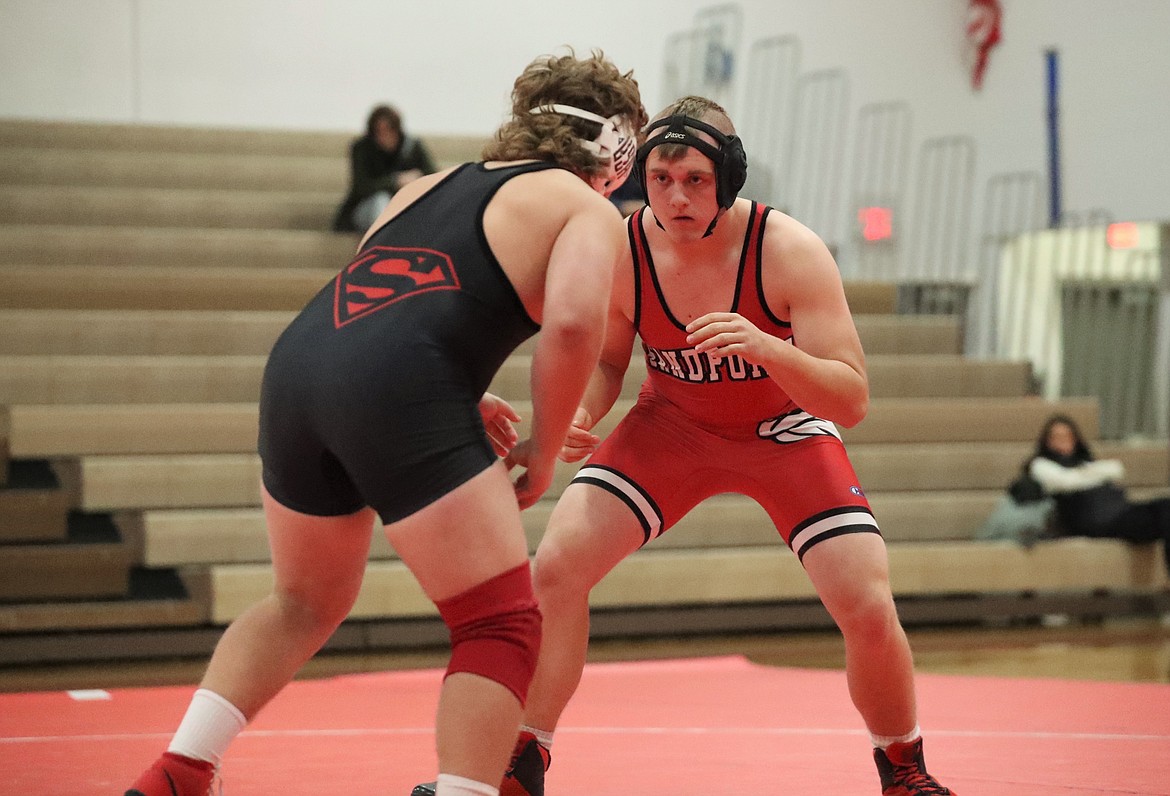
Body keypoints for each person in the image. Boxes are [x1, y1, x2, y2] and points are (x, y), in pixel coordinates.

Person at [124, 49, 645, 796]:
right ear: (616, 149)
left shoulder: (428, 184)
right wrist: (544, 446)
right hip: (398, 383)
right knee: (499, 622)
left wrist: (458, 394)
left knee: (305, 599)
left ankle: (180, 767)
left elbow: (384, 303)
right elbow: (571, 328)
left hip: (302, 368)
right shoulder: (583, 208)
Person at [417, 96, 958, 796]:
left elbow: (850, 399)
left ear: (729, 177)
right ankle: (526, 753)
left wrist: (767, 348)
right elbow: (611, 359)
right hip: (672, 426)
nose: (674, 196)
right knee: (555, 567)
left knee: (864, 597)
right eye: (662, 177)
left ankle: (903, 767)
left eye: (695, 180)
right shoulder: (622, 245)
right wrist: (585, 408)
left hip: (783, 432)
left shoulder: (785, 248)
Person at [1024, 413, 1170, 572]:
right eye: (1057, 436)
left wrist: (1086, 473)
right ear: (1047, 440)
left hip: (1119, 512)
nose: (1063, 440)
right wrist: (1091, 473)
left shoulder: (1084, 461)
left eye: (1068, 435)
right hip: (1093, 521)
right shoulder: (1040, 464)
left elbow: (1116, 469)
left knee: (1165, 507)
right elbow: (1066, 481)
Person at [332, 103, 439, 233]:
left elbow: (434, 179)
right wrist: (395, 181)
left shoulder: (412, 147)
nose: (384, 137)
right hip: (369, 210)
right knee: (380, 200)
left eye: (389, 131)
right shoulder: (362, 149)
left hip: (403, 208)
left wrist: (415, 181)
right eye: (379, 132)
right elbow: (361, 187)